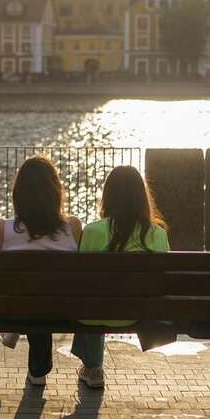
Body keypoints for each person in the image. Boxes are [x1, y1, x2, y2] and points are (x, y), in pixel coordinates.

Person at [71, 165, 169, 389]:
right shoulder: (157, 235)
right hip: (140, 314)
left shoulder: (93, 231)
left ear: (108, 196)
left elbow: (82, 282)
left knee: (93, 299)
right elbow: (162, 282)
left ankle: (93, 367)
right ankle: (92, 367)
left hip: (94, 315)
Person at [0, 155, 82, 386]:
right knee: (45, 293)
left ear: (19, 193)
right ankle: (38, 369)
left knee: (29, 295)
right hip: (63, 310)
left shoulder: (2, 229)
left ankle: (20, 335)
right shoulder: (73, 227)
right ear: (56, 192)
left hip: (20, 308)